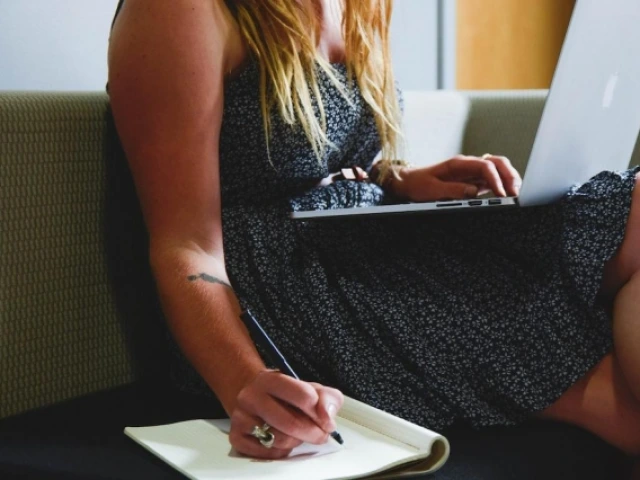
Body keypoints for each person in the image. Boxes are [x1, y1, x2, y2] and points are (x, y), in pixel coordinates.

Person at [107, 0, 640, 461]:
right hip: (279, 290)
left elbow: (318, 159)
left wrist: (402, 182)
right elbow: (187, 245)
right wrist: (242, 380)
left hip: (359, 238)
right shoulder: (181, 11)